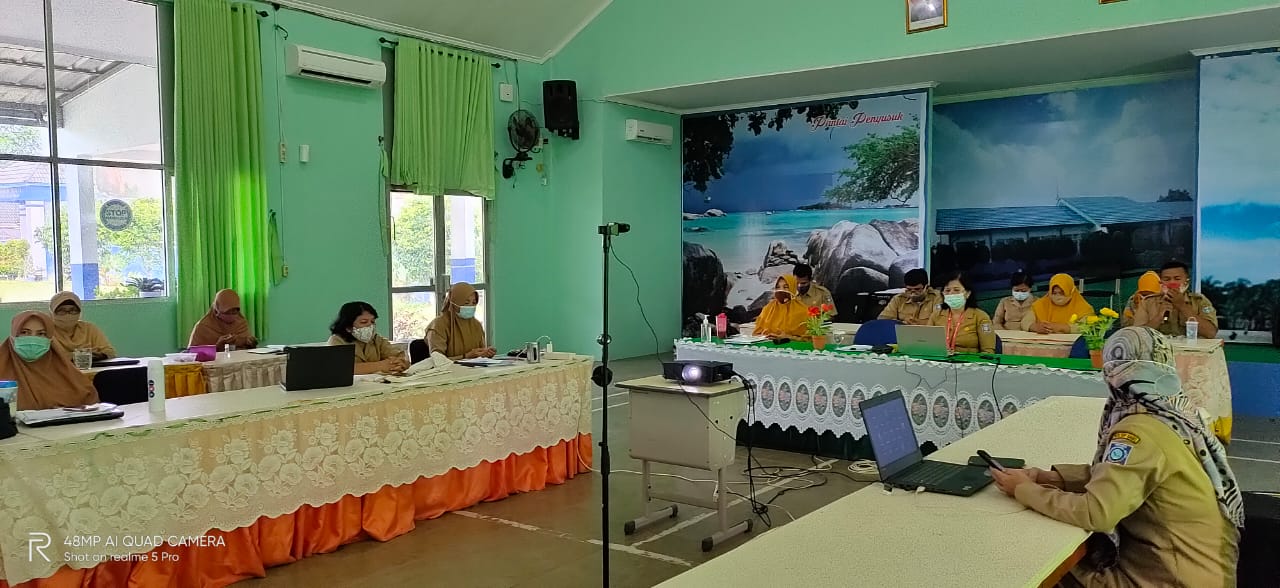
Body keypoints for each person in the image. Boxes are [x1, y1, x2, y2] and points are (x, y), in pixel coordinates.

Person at [990, 327, 1242, 587]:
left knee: (1040, 568)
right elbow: (1125, 475)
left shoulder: (1138, 430)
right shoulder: (1176, 413)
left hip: (1169, 576)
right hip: (1202, 568)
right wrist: (1050, 478)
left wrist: (1024, 489)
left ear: (1113, 371)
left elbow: (1097, 513)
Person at [0, 311, 99, 410]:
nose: (33, 339)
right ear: (13, 335)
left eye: (41, 334)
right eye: (24, 332)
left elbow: (90, 404)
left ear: (50, 339)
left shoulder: (67, 373)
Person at [1132, 261, 1219, 339]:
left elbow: (1210, 333)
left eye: (1177, 279)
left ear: (1186, 282)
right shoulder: (1148, 302)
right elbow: (1137, 336)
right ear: (1161, 282)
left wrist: (1182, 306)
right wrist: (1158, 317)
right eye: (1167, 279)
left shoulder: (1200, 301)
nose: (1172, 283)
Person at [328, 301, 408, 375]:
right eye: (364, 322)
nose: (370, 326)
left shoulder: (377, 339)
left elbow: (398, 357)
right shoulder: (337, 341)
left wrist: (400, 364)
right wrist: (381, 365)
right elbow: (343, 368)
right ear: (348, 327)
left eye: (372, 322)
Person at [928, 271, 996, 354]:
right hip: (940, 362)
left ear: (967, 293)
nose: (951, 294)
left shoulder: (981, 317)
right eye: (947, 290)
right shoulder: (936, 315)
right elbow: (927, 344)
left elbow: (988, 351)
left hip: (970, 364)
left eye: (956, 290)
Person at [426, 282, 495, 360]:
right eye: (466, 303)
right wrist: (466, 356)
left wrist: (485, 353)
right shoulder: (439, 325)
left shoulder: (476, 325)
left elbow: (480, 353)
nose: (470, 306)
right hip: (446, 371)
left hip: (474, 370)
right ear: (454, 302)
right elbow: (438, 360)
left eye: (474, 302)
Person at [48, 291, 117, 360]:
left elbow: (109, 352)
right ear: (52, 313)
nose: (68, 315)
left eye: (73, 310)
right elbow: (46, 358)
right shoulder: (47, 331)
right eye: (61, 310)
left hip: (91, 369)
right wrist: (82, 354)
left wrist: (96, 356)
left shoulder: (89, 329)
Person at [189, 289, 258, 351]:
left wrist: (249, 342)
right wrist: (217, 347)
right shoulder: (203, 327)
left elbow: (247, 349)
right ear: (216, 311)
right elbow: (192, 354)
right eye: (227, 312)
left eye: (235, 312)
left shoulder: (241, 323)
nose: (231, 315)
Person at [1031, 273, 1095, 334]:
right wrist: (1035, 327)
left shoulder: (1084, 308)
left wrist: (1064, 328)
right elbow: (1025, 322)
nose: (1058, 296)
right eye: (1054, 293)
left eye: (1062, 293)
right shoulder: (1039, 305)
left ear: (1071, 291)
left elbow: (1088, 326)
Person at [753, 275, 809, 340]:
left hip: (792, 348)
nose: (781, 290)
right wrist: (764, 336)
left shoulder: (803, 310)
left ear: (793, 288)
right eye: (778, 287)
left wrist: (788, 337)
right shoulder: (768, 308)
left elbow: (809, 340)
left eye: (786, 287)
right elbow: (756, 334)